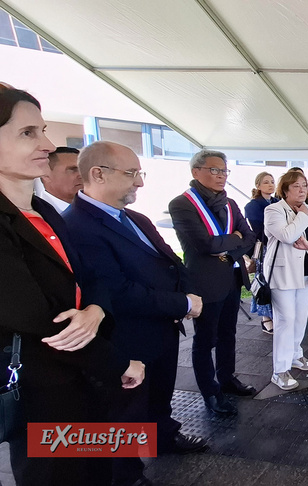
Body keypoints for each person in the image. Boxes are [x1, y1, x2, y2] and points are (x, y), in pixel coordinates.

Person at [0, 85, 145, 485]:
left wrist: (96, 310)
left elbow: (91, 276)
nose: (47, 144)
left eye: (43, 130)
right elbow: (39, 318)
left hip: (86, 380)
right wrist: (119, 363)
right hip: (43, 391)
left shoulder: (44, 210)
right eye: (28, 133)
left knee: (96, 470)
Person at [63, 141, 207, 485]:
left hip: (161, 326)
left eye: (139, 173)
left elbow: (170, 260)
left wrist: (185, 292)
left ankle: (163, 436)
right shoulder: (78, 226)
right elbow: (117, 292)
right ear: (98, 174)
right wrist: (184, 304)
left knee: (160, 394)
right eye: (132, 174)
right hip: (125, 336)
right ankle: (127, 474)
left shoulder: (135, 217)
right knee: (125, 412)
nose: (140, 182)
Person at [169, 149, 256, 415]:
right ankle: (210, 391)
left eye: (225, 171)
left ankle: (227, 378)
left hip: (231, 278)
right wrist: (235, 239)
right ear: (196, 172)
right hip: (205, 283)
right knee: (205, 340)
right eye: (215, 170)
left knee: (228, 333)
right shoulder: (182, 204)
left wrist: (228, 247)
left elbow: (250, 236)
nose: (222, 176)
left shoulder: (229, 203)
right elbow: (204, 244)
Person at [264, 171, 308, 390]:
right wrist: (301, 216)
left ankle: (295, 355)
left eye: (304, 186)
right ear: (284, 190)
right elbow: (287, 236)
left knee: (301, 318)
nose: (302, 190)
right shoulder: (274, 210)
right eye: (296, 187)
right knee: (286, 320)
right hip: (283, 275)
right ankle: (279, 370)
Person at [244, 172, 278, 334]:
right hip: (264, 247)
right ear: (258, 185)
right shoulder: (253, 206)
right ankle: (266, 318)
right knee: (264, 281)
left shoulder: (278, 202)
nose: (270, 185)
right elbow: (259, 231)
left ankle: (275, 314)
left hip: (279, 246)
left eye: (272, 182)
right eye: (266, 182)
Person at [36, 146, 81, 214]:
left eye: (83, 169)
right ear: (46, 175)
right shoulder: (36, 215)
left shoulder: (95, 209)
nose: (82, 175)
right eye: (73, 170)